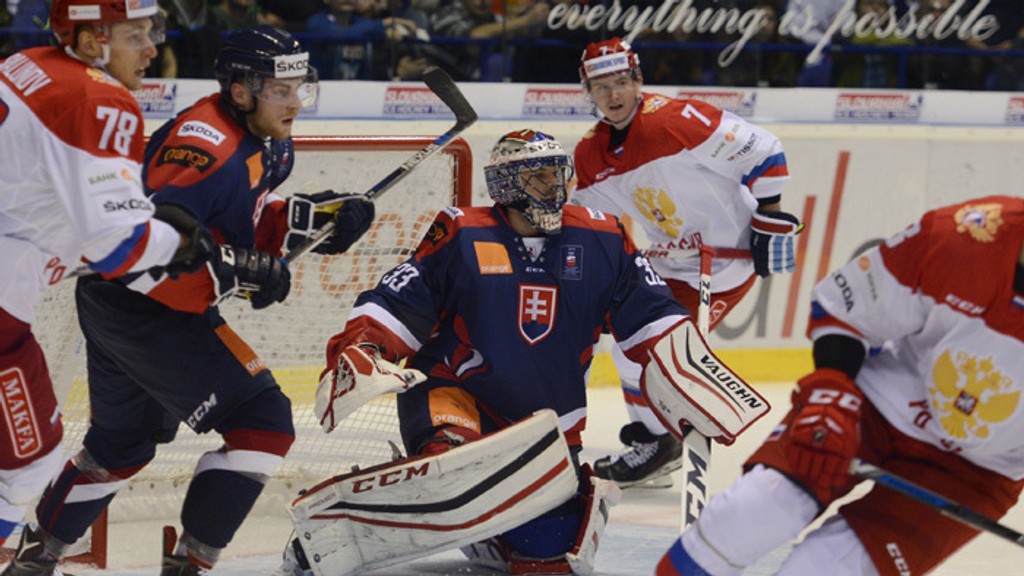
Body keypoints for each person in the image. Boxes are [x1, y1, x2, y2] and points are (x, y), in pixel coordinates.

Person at [285, 130, 766, 576]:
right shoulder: (462, 232)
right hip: (457, 396)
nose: (555, 187)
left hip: (547, 430)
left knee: (551, 556)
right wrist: (364, 347)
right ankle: (327, 530)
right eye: (539, 177)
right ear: (506, 185)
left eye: (558, 175)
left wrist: (686, 369)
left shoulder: (603, 238)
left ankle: (489, 529)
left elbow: (653, 313)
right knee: (452, 471)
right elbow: (396, 301)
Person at [6, 26, 375, 576]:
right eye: (281, 90)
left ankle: (32, 564)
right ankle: (188, 568)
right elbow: (138, 250)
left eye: (300, 88)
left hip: (123, 305)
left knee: (122, 446)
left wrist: (311, 220)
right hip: (141, 303)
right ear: (242, 91)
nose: (296, 103)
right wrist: (231, 273)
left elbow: (240, 216)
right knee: (265, 422)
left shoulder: (270, 138)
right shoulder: (203, 150)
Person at [659, 194, 1024, 575]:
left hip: (977, 472)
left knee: (825, 570)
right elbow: (846, 309)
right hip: (873, 406)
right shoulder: (960, 237)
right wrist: (830, 392)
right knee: (747, 516)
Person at [0, 0, 213, 571]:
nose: (151, 49)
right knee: (31, 463)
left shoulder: (26, 63)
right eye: (135, 35)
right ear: (93, 42)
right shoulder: (101, 99)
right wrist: (185, 245)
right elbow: (118, 248)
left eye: (151, 32)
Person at [571, 37, 802, 489]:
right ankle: (658, 444)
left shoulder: (675, 120)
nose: (613, 95)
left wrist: (769, 214)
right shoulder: (591, 153)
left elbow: (765, 149)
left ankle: (662, 441)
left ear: (638, 80)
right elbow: (589, 221)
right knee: (627, 350)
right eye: (601, 87)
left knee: (658, 353)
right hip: (670, 261)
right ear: (589, 93)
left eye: (621, 82)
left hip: (723, 262)